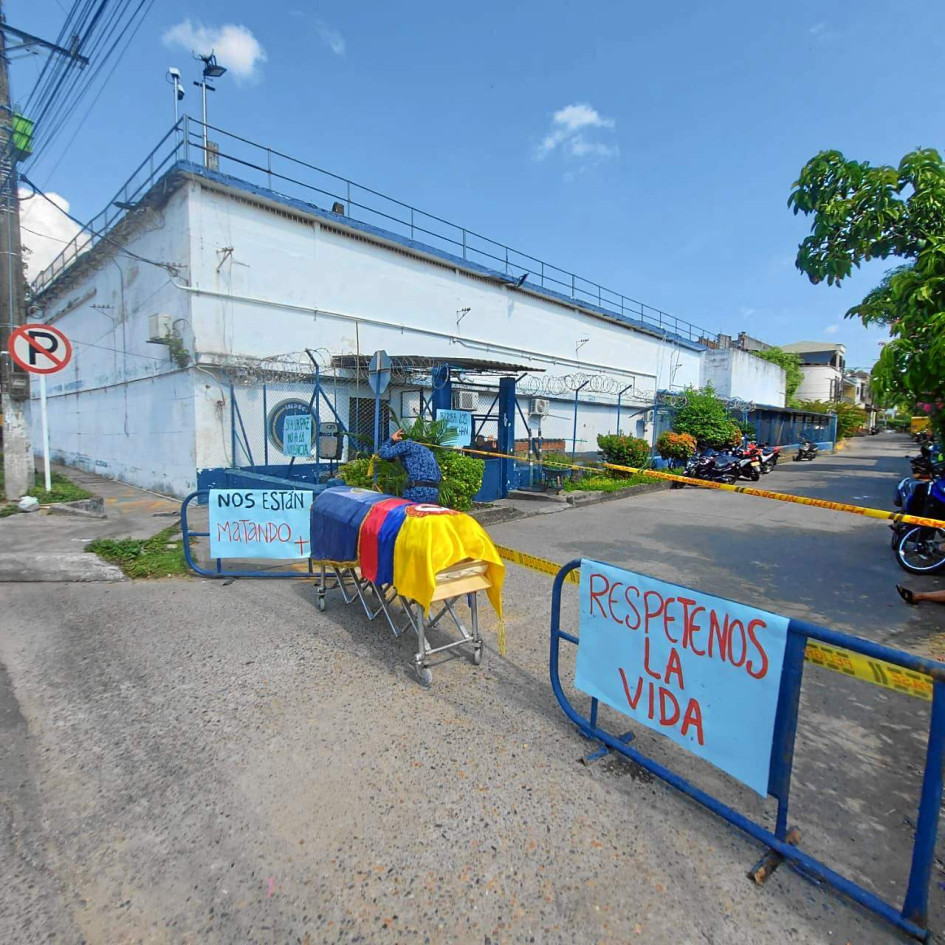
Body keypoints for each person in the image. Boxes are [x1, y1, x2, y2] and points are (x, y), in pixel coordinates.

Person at [378, 428, 442, 504]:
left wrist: (392, 439)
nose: (397, 459)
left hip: (417, 491)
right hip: (433, 492)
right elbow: (439, 475)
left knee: (408, 514)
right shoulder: (428, 452)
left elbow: (383, 453)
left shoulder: (405, 444)